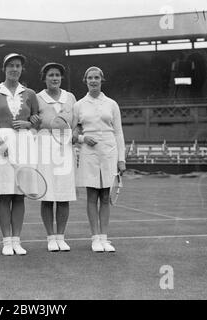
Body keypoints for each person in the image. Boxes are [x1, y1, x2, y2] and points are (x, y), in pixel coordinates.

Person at [0, 53, 39, 256]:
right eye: (10, 66)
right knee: (5, 195)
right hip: (2, 145)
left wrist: (29, 124)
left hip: (24, 144)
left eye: (17, 66)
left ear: (21, 69)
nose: (14, 69)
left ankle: (17, 239)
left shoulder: (30, 93)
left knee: (19, 196)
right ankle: (6, 241)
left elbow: (37, 119)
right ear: (4, 68)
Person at [73, 66, 126, 252]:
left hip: (109, 153)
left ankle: (104, 238)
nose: (93, 81)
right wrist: (82, 138)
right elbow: (73, 134)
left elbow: (118, 133)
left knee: (105, 196)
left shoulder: (112, 104)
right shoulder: (78, 105)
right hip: (89, 154)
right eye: (90, 78)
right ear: (85, 80)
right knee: (92, 195)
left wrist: (122, 159)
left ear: (102, 80)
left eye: (96, 77)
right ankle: (95, 238)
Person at [32, 62, 77, 252]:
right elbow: (32, 123)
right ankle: (51, 237)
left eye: (57, 75)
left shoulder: (71, 97)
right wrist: (34, 123)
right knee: (48, 195)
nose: (54, 78)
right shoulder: (36, 97)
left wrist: (75, 133)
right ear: (45, 78)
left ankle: (61, 236)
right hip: (45, 147)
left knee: (64, 195)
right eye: (50, 75)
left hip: (65, 149)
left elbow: (76, 123)